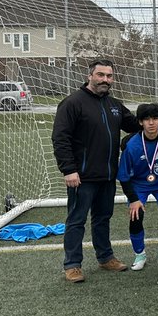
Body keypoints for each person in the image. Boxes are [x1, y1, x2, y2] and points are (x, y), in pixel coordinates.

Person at [51, 58, 138, 283]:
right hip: (81, 177)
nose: (105, 80)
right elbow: (60, 138)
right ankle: (72, 265)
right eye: (100, 75)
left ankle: (105, 257)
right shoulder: (72, 103)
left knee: (103, 218)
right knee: (76, 220)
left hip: (107, 175)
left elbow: (136, 125)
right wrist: (69, 170)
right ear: (90, 76)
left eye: (109, 76)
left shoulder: (114, 105)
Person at [116, 103, 158, 270]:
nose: (151, 123)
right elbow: (123, 177)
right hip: (139, 185)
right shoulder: (132, 145)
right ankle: (139, 255)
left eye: (155, 119)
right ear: (140, 122)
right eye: (147, 119)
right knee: (136, 215)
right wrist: (133, 199)